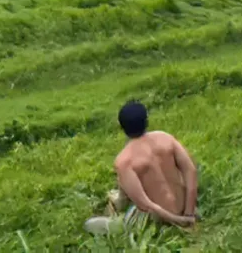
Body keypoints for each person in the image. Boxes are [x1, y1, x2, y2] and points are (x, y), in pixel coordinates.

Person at [84, 101, 197, 235]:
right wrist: (189, 213)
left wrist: (179, 221)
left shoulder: (124, 161)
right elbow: (191, 171)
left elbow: (145, 206)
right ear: (146, 121)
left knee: (89, 225)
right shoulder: (166, 138)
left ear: (121, 127)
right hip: (184, 207)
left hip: (156, 222)